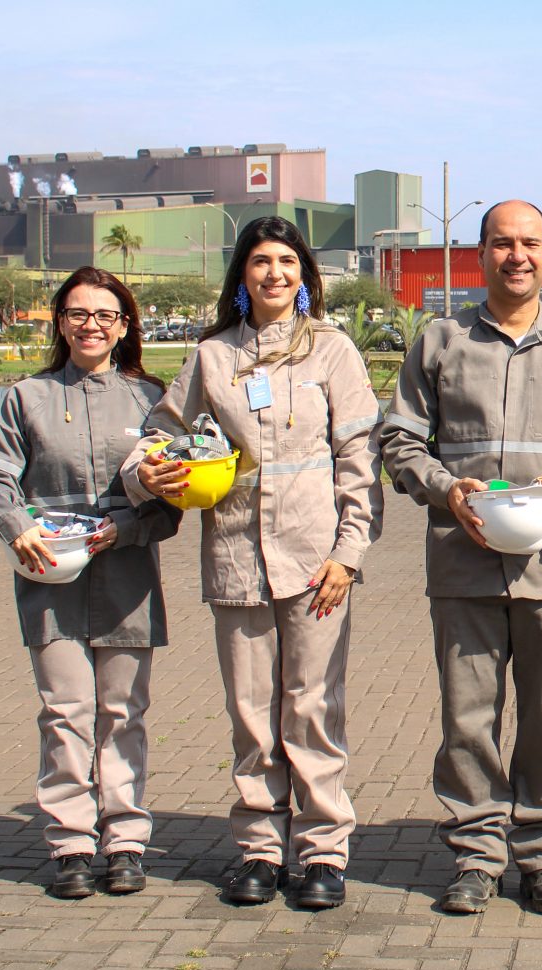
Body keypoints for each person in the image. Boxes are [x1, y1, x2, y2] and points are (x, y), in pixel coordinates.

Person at [124, 216, 383, 910]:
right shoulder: (213, 358)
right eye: (261, 262)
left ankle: (324, 851)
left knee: (313, 708)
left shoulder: (333, 352)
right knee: (251, 713)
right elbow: (157, 435)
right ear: (242, 276)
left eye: (287, 263)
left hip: (315, 562)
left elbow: (360, 461)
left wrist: (348, 553)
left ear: (305, 277)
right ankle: (260, 850)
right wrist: (148, 475)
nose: (274, 273)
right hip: (237, 557)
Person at [379, 200, 542, 916]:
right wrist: (444, 489)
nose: (515, 255)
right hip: (462, 562)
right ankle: (477, 856)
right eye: (500, 243)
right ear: (478, 254)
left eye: (528, 243)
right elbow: (399, 441)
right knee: (468, 722)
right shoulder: (441, 341)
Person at [0, 266, 181, 899]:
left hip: (127, 579)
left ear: (124, 327)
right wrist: (13, 525)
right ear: (61, 321)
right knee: (65, 712)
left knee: (123, 713)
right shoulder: (26, 398)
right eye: (79, 314)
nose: (92, 326)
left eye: (106, 316)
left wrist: (125, 526)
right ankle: (70, 843)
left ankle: (124, 842)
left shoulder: (152, 401)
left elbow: (170, 501)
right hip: (50, 578)